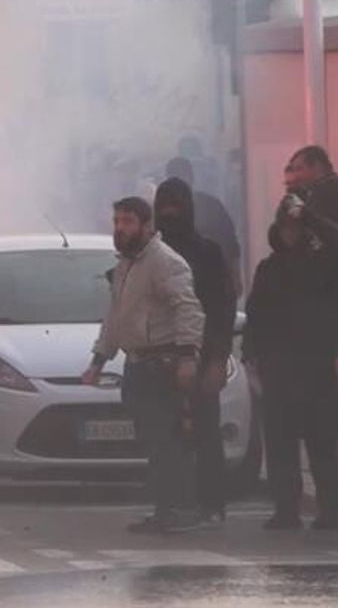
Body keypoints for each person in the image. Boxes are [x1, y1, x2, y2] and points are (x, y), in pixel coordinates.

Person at [83, 197, 205, 534]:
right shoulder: (127, 264)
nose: (120, 228)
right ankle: (164, 509)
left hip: (162, 364)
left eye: (128, 221)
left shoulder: (164, 261)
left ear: (147, 225)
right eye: (117, 221)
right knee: (154, 441)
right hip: (137, 364)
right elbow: (115, 316)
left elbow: (187, 308)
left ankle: (181, 509)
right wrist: (99, 360)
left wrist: (187, 357)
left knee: (169, 440)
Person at [244, 196, 338, 531]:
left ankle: (330, 508)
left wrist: (311, 216)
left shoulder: (324, 264)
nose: (289, 234)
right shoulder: (270, 268)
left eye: (295, 228)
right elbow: (255, 313)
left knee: (323, 441)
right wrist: (251, 351)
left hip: (319, 366)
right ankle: (286, 508)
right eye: (285, 228)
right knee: (280, 441)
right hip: (279, 367)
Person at [154, 179, 237, 526]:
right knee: (165, 436)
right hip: (159, 357)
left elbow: (222, 309)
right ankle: (172, 503)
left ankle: (211, 503)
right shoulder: (150, 254)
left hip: (202, 355)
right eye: (163, 206)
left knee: (205, 432)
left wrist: (217, 359)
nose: (169, 213)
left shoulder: (207, 252)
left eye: (175, 206)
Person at [284, 145, 338, 434]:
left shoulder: (321, 196)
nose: (296, 175)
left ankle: (333, 417)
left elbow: (315, 242)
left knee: (334, 351)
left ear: (316, 166)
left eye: (299, 168)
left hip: (335, 286)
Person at [165, 157, 242, 297]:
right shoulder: (163, 213)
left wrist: (235, 277)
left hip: (214, 280)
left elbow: (231, 243)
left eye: (183, 177)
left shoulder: (211, 206)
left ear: (191, 178)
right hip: (178, 286)